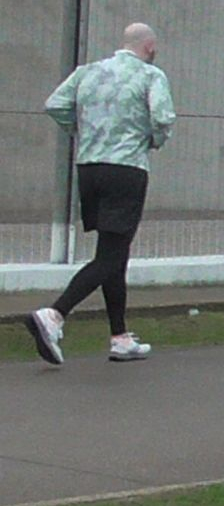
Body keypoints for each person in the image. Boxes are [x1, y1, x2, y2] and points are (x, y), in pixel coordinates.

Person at [25, 23, 176, 366]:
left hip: (89, 167)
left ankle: (120, 337)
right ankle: (54, 314)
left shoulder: (87, 72)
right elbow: (163, 118)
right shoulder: (151, 75)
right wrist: (152, 139)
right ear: (150, 46)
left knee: (113, 251)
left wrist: (81, 131)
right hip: (126, 169)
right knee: (111, 254)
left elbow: (55, 104)